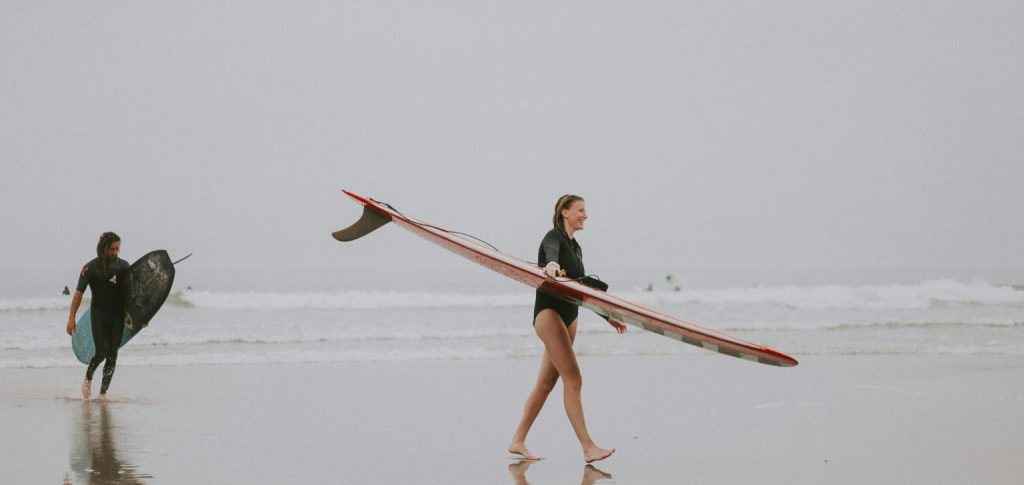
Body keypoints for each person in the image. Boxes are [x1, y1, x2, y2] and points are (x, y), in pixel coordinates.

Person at [507, 194, 627, 463]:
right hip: (549, 314)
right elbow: (550, 252)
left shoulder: (576, 247)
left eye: (585, 210)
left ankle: (517, 440)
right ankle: (588, 447)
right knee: (573, 378)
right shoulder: (554, 237)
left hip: (570, 316)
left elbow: (582, 288)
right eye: (581, 210)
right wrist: (550, 264)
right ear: (564, 212)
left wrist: (609, 316)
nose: (585, 215)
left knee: (546, 384)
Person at [66, 232, 135, 401]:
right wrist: (71, 318)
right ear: (103, 247)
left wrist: (140, 316)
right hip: (98, 314)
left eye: (117, 249)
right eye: (112, 248)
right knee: (102, 351)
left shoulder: (124, 267)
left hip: (117, 315)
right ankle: (89, 377)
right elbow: (78, 294)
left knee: (113, 354)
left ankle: (103, 394)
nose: (115, 252)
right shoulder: (90, 268)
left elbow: (131, 295)